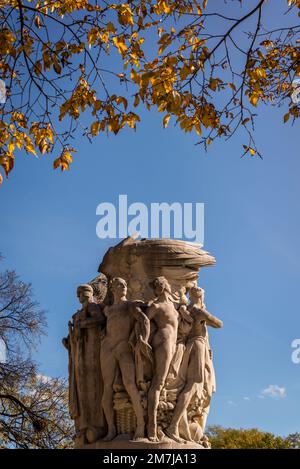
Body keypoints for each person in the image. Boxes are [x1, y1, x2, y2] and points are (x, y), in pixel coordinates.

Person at [165, 286, 223, 443]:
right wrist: (205, 313)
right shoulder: (197, 310)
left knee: (190, 386)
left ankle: (177, 423)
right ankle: (174, 425)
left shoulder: (187, 309)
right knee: (194, 385)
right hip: (198, 345)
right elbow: (218, 324)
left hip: (190, 346)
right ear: (200, 296)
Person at [100, 277, 150, 441]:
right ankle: (111, 430)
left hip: (123, 347)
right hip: (108, 347)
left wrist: (143, 339)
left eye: (125, 285)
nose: (124, 287)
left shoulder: (130, 305)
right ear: (112, 288)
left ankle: (141, 425)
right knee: (106, 388)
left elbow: (144, 319)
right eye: (120, 285)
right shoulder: (107, 310)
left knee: (130, 384)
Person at [146, 276, 179, 442]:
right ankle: (151, 426)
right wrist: (141, 341)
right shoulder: (155, 305)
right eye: (156, 285)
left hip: (173, 343)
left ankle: (163, 426)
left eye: (160, 284)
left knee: (163, 382)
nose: (158, 286)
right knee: (158, 382)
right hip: (164, 339)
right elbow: (143, 321)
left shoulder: (173, 305)